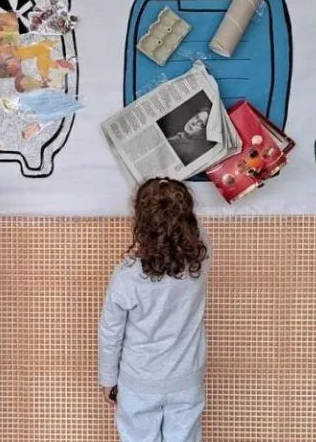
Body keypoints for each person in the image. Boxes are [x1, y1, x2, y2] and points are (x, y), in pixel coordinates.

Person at [98, 178, 212, 442]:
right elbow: (199, 233)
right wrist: (176, 203)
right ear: (189, 220)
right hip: (187, 379)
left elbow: (110, 334)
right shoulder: (199, 263)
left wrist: (108, 379)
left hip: (139, 382)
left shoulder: (127, 276)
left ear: (140, 223)